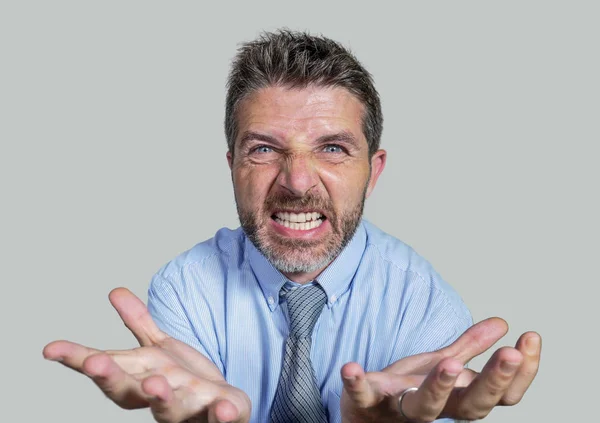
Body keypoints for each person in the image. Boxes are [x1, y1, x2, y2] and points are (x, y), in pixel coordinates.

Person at [43, 30, 541, 423]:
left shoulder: (423, 304)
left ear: (374, 171)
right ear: (233, 164)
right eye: (263, 149)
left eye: (332, 148)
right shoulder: (185, 287)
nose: (297, 181)